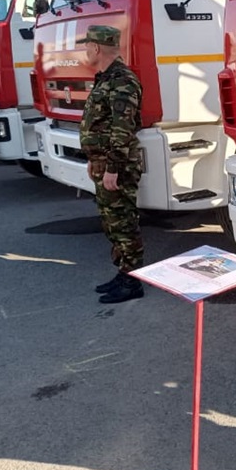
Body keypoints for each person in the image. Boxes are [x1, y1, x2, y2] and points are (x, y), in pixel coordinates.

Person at [79, 24, 145, 304]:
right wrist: (94, 159)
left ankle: (133, 280)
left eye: (87, 46)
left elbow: (122, 129)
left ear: (96, 48)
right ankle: (124, 271)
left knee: (123, 222)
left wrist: (112, 168)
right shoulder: (106, 78)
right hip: (103, 162)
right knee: (111, 222)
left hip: (116, 164)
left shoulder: (122, 80)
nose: (85, 50)